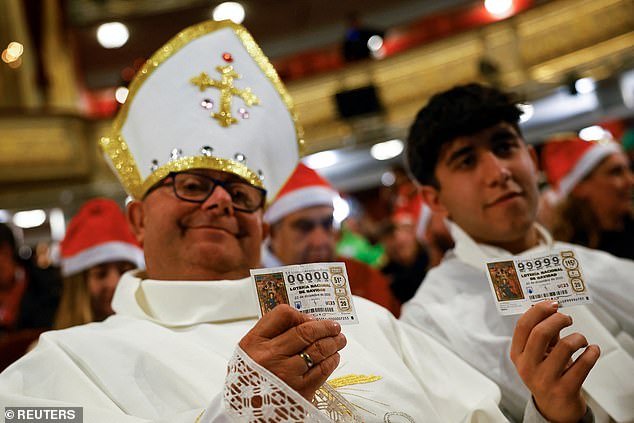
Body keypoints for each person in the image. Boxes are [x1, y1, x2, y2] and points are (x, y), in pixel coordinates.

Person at [0, 22, 596, 423]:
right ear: (137, 218)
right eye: (191, 185)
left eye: (241, 192)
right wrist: (245, 409)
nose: (219, 203)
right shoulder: (64, 362)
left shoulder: (364, 320)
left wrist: (550, 410)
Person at [401, 83, 634, 422]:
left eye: (505, 146)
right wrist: (550, 413)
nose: (499, 172)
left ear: (531, 157)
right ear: (434, 199)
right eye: (466, 161)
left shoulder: (605, 268)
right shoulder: (430, 320)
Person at [261, 162, 401, 316]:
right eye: (304, 227)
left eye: (327, 224)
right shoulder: (250, 288)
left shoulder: (363, 277)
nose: (320, 241)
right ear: (272, 232)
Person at [53, 198, 144, 329]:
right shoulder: (53, 347)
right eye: (100, 274)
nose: (114, 283)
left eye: (125, 271)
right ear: (79, 286)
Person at [540, 133, 634, 260]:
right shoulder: (571, 256)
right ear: (580, 187)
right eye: (616, 172)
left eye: (629, 169)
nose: (630, 180)